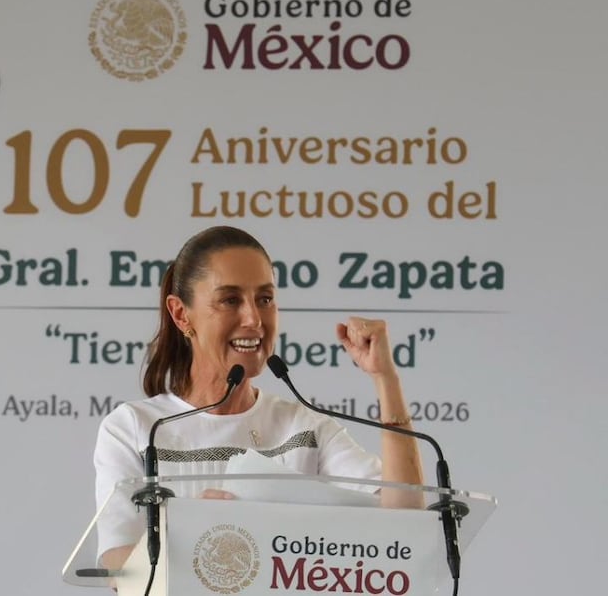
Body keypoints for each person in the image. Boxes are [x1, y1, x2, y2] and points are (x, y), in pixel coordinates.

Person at [93, 226, 424, 568]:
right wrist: (190, 528)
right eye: (230, 300)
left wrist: (386, 378)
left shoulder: (306, 428)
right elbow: (121, 567)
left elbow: (406, 520)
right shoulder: (134, 429)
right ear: (181, 314)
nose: (253, 319)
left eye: (264, 299)